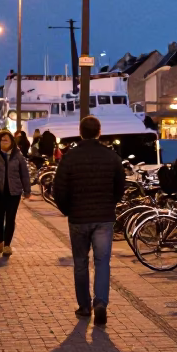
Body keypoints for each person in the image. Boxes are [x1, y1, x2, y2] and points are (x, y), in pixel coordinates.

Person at [53, 116, 126, 325]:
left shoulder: (70, 157)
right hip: (103, 217)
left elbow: (59, 188)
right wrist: (110, 204)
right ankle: (101, 302)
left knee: (81, 262)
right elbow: (120, 186)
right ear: (99, 132)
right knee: (103, 262)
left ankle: (84, 306)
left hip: (78, 217)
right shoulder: (111, 156)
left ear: (80, 131)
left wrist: (67, 209)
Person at [0, 130, 32, 255]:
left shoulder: (18, 155)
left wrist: (27, 190)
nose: (5, 141)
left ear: (11, 142)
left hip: (14, 193)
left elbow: (24, 174)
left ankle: (7, 245)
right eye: (2, 139)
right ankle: (0, 241)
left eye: (7, 139)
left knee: (10, 218)